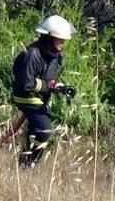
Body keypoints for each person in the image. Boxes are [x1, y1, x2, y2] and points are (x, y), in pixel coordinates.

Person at [12, 15, 77, 166]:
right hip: (24, 96)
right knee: (44, 128)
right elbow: (26, 84)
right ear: (48, 37)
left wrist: (60, 87)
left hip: (40, 98)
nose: (63, 43)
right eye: (59, 39)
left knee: (39, 130)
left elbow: (49, 80)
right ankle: (28, 164)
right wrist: (48, 86)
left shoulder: (56, 56)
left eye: (64, 40)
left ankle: (26, 165)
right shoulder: (32, 54)